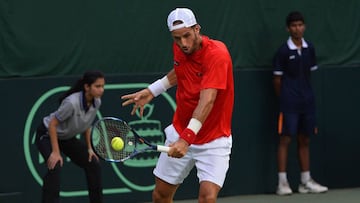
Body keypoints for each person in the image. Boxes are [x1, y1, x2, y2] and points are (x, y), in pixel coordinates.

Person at [121, 8, 234, 203]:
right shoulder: (181, 48)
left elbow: (207, 101)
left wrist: (186, 139)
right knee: (160, 195)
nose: (183, 43)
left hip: (212, 139)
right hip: (179, 130)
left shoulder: (217, 54)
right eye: (177, 38)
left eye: (187, 36)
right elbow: (180, 70)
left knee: (207, 198)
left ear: (197, 29)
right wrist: (153, 90)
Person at [273, 11, 328, 195]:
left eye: (300, 25)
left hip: (307, 103)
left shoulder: (309, 48)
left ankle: (305, 181)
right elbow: (277, 81)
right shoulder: (282, 51)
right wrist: (286, 98)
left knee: (305, 139)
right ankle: (282, 183)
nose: (297, 28)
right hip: (289, 104)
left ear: (304, 27)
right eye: (294, 25)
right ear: (288, 29)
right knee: (285, 139)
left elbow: (309, 74)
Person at [35, 70, 105, 203]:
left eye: (103, 86)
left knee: (93, 164)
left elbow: (86, 125)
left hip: (66, 138)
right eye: (97, 86)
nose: (101, 90)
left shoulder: (97, 102)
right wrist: (55, 152)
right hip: (47, 134)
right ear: (87, 87)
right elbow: (52, 125)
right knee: (54, 166)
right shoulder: (71, 103)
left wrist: (90, 149)